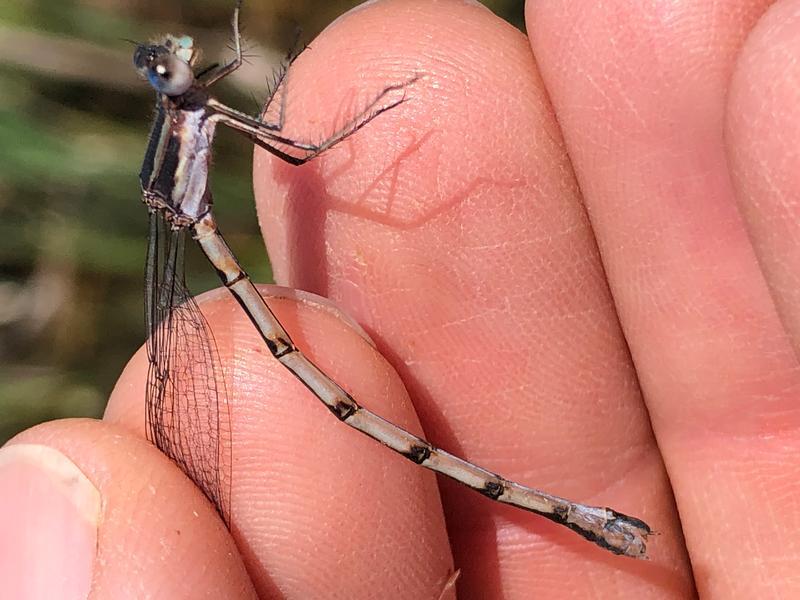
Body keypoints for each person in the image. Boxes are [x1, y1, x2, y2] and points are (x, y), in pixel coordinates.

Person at [2, 0, 798, 597]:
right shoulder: (191, 125)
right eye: (172, 68)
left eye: (173, 64)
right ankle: (577, 519)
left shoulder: (191, 115)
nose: (181, 64)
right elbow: (303, 150)